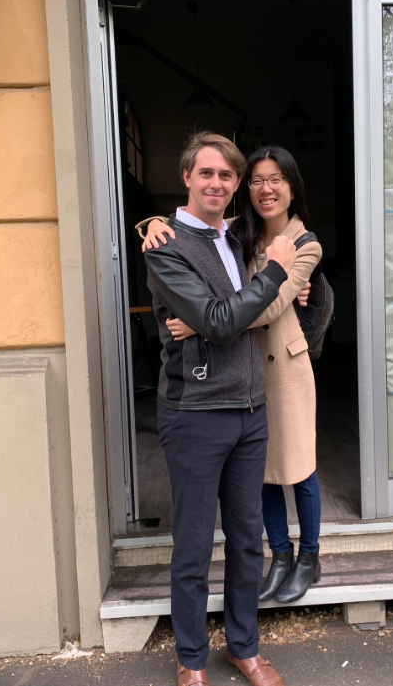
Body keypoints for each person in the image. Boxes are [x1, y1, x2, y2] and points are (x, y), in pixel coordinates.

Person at [144, 131, 296, 686]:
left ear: (235, 186)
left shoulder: (235, 235)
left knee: (247, 539)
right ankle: (190, 661)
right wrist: (274, 274)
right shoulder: (164, 246)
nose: (217, 183)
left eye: (227, 175)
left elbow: (282, 214)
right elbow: (217, 320)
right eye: (206, 172)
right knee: (191, 546)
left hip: (250, 410)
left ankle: (243, 648)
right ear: (186, 177)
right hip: (195, 414)